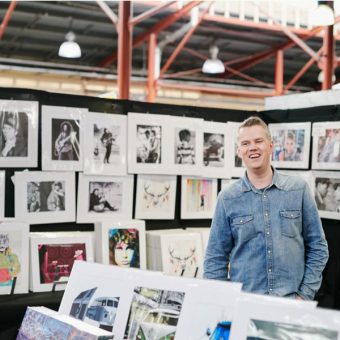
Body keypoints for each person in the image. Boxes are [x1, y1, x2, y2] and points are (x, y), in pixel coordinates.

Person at [204, 116, 329, 300]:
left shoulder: (298, 189)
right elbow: (215, 259)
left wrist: (304, 295)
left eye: (258, 141)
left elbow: (318, 247)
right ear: (239, 151)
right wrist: (221, 304)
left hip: (291, 304)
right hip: (245, 304)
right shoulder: (228, 198)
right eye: (245, 143)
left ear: (271, 145)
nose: (252, 147)